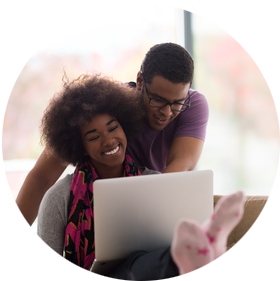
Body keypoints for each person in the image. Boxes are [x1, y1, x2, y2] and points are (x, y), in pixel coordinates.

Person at [37, 73, 244, 280]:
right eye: (94, 137)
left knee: (149, 260)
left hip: (149, 269)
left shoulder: (153, 182)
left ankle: (204, 246)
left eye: (113, 128)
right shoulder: (59, 197)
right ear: (80, 147)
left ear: (125, 127)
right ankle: (203, 246)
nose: (109, 141)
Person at [16, 42, 209, 226]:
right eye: (158, 99)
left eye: (177, 102)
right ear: (140, 80)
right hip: (95, 214)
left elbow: (182, 166)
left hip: (148, 212)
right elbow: (42, 178)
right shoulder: (105, 105)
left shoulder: (194, 105)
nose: (167, 112)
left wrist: (142, 218)